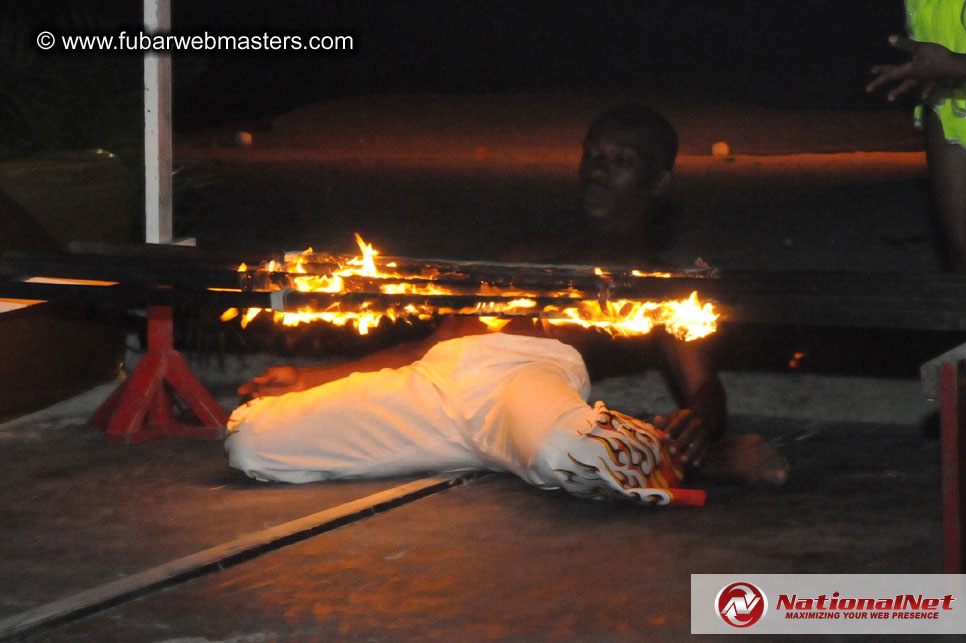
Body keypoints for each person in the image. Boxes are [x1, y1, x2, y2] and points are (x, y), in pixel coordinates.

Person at [229, 105, 789, 501]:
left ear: (660, 181)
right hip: (440, 385)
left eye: (621, 161)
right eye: (592, 155)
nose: (597, 168)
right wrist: (312, 378)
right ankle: (490, 452)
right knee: (254, 439)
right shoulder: (528, 250)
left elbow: (702, 386)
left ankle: (703, 467)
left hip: (528, 384)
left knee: (568, 452)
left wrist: (702, 431)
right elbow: (434, 344)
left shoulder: (658, 277)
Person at [867, 1, 966, 272]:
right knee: (961, 252)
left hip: (952, 73)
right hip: (948, 101)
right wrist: (929, 67)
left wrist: (954, 65)